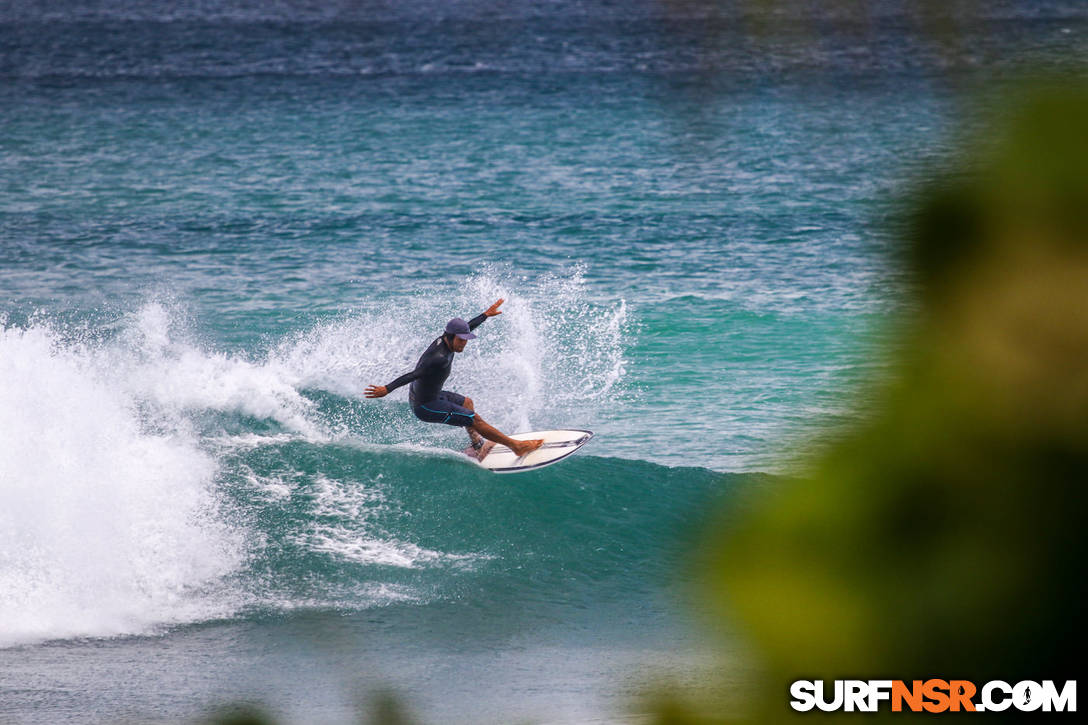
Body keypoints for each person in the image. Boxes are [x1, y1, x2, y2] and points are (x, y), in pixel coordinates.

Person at [365, 299, 544, 458]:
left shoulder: (448, 338)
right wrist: (387, 388)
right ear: (450, 337)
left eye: (466, 340)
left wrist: (485, 315)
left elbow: (467, 327)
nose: (464, 345)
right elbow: (414, 374)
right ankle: (516, 447)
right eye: (461, 341)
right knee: (474, 419)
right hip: (426, 406)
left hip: (432, 394)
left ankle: (477, 445)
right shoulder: (438, 358)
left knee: (467, 403)